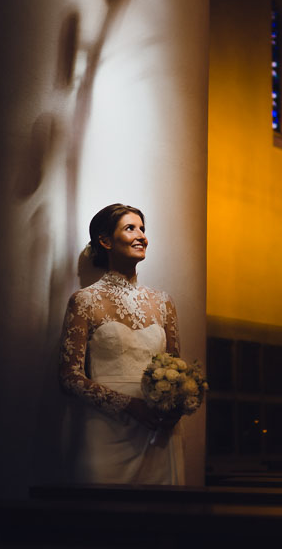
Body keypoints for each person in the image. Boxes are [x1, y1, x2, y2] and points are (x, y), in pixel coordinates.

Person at [58, 203, 185, 484]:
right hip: (105, 429)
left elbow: (178, 370)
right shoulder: (84, 301)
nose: (142, 236)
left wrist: (174, 406)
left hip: (157, 432)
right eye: (131, 228)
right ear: (105, 241)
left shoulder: (164, 302)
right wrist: (129, 405)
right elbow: (70, 377)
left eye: (143, 229)